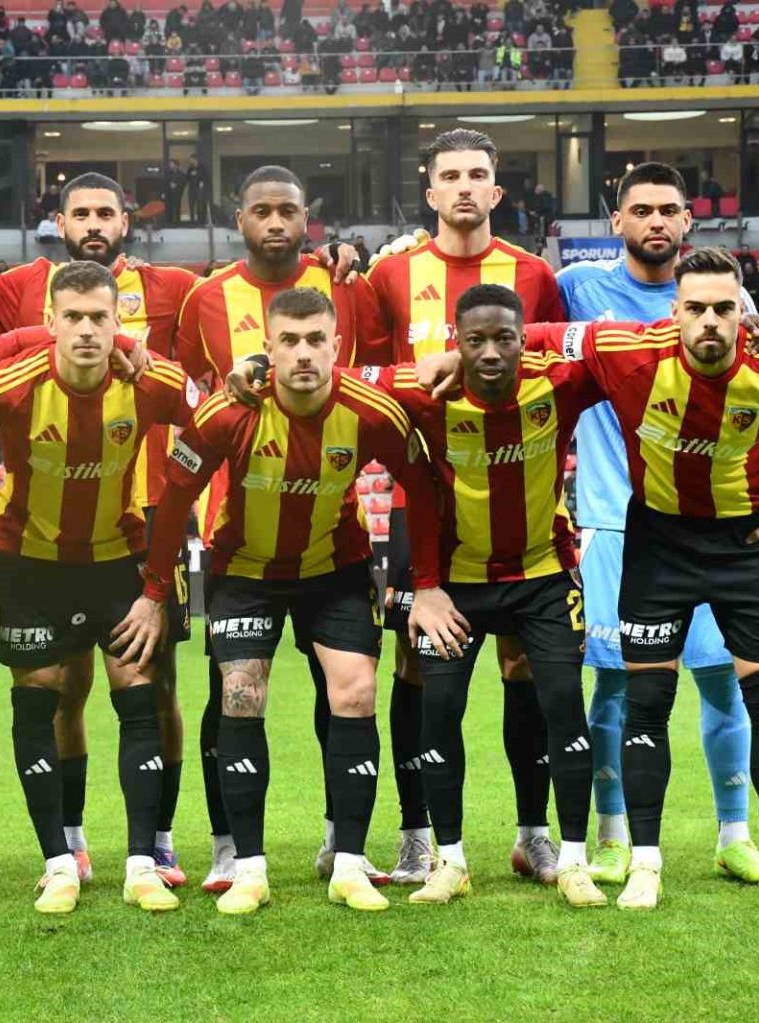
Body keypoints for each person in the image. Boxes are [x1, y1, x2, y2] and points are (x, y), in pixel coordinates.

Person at [130, 286, 444, 915]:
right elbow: (176, 494)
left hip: (337, 568)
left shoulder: (370, 411)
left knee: (355, 692)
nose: (304, 353)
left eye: (316, 340)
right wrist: (155, 592)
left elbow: (422, 483)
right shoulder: (228, 412)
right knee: (242, 694)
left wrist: (430, 585)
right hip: (245, 570)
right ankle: (248, 868)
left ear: (337, 346)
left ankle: (348, 864)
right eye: (290, 341)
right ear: (267, 348)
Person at [551, 246, 759, 913]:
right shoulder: (628, 349)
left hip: (744, 547)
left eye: (723, 308)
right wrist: (452, 353)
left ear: (743, 312)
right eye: (697, 308)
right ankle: (644, 863)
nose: (710, 320)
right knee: (645, 702)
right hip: (659, 545)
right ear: (674, 312)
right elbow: (535, 338)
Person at [550, 163, 759, 887]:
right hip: (615, 523)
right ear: (616, 220)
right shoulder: (578, 287)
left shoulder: (725, 299)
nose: (656, 221)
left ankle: (734, 835)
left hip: (711, 527)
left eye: (669, 210)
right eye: (641, 209)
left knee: (722, 683)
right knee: (615, 687)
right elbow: (510, 312)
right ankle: (613, 836)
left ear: (687, 222)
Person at [175, 165, 390, 890]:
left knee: (345, 692)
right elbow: (191, 390)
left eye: (287, 211)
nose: (275, 222)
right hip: (241, 537)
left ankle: (340, 840)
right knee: (231, 694)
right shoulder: (207, 296)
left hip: (333, 533)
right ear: (239, 219)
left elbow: (372, 377)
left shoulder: (345, 283)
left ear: (307, 219)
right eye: (261, 210)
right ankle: (228, 846)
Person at [364, 128, 563, 886]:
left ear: (497, 189)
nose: (465, 187)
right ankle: (416, 833)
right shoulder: (392, 274)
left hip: (516, 496)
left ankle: (532, 833)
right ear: (430, 192)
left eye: (478, 174)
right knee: (416, 663)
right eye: (450, 175)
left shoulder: (534, 273)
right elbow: (367, 375)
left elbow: (558, 355)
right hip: (423, 503)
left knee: (522, 664)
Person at [0, 262, 197, 915]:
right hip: (30, 562)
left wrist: (158, 581)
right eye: (73, 317)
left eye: (101, 317)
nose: (88, 330)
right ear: (52, 321)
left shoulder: (150, 381)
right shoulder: (18, 381)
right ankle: (60, 860)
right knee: (41, 703)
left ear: (119, 321)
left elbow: (213, 420)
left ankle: (143, 862)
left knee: (139, 693)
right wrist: (12, 344)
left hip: (118, 558)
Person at [371, 284, 606, 909]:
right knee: (440, 712)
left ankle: (572, 859)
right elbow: (344, 378)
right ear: (457, 341)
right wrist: (256, 368)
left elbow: (625, 345)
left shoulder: (559, 383)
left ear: (523, 337)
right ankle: (450, 861)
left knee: (564, 707)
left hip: (544, 577)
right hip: (456, 588)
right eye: (475, 340)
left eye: (506, 338)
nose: (492, 352)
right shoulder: (426, 391)